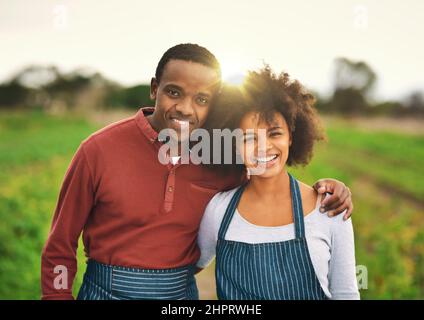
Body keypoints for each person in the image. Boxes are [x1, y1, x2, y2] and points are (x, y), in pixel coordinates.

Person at [41, 44, 353, 300]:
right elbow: (60, 245)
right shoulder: (97, 150)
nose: (186, 109)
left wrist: (328, 187)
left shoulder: (221, 160)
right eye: (174, 92)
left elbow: (267, 178)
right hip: (105, 291)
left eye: (202, 99)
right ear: (154, 88)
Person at [197, 67, 359, 300]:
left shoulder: (329, 209)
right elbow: (187, 267)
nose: (263, 147)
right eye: (250, 138)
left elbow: (346, 293)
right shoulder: (219, 210)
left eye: (274, 134)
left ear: (291, 136)